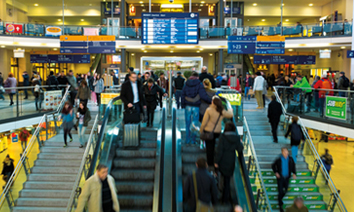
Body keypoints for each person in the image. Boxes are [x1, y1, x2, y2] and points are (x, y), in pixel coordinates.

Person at [200, 96, 233, 167]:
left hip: (208, 131)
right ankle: (216, 162)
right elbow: (230, 115)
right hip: (217, 132)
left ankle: (210, 164)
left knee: (209, 148)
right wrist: (230, 110)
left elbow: (204, 122)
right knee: (217, 147)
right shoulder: (221, 110)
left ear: (213, 102)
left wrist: (201, 130)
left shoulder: (209, 110)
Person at [214, 122, 243, 204]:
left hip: (223, 161)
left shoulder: (222, 137)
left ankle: (219, 196)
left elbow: (219, 151)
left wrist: (216, 161)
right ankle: (225, 199)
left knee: (220, 178)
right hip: (231, 161)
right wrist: (240, 142)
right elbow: (240, 149)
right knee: (227, 181)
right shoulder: (236, 138)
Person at [181, 72, 211, 145]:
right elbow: (203, 95)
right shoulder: (199, 84)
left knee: (187, 124)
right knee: (195, 124)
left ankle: (187, 140)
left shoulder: (186, 84)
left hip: (188, 106)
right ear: (197, 77)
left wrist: (182, 105)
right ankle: (193, 140)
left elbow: (182, 94)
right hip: (196, 106)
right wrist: (210, 101)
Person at [272, 147, 297, 212]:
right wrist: (276, 172)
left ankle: (279, 199)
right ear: (282, 152)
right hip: (280, 178)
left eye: (286, 152)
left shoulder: (290, 159)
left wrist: (294, 173)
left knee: (285, 190)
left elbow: (293, 166)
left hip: (287, 178)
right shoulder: (279, 159)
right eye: (284, 152)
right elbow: (273, 165)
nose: (286, 153)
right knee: (280, 191)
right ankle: (280, 205)